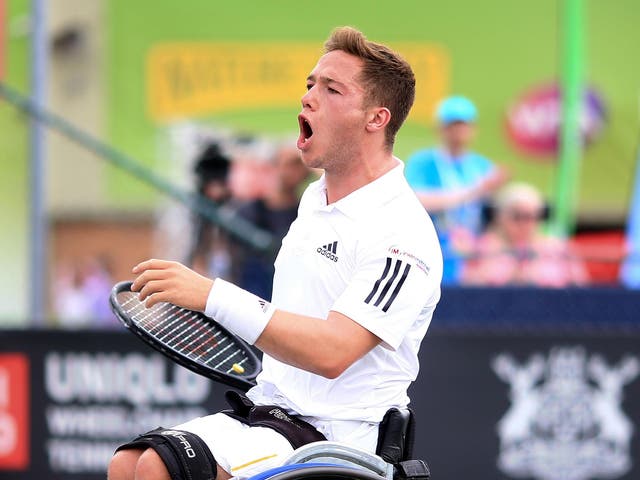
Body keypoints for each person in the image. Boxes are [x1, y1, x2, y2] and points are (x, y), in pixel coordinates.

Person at [108, 26, 442, 480]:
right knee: (127, 465)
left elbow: (334, 351)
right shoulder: (314, 200)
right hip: (271, 414)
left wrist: (212, 296)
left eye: (331, 88)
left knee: (156, 469)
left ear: (376, 119)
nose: (308, 97)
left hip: (340, 440)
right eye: (310, 84)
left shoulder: (403, 232)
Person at [405, 96, 508, 284]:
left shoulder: (481, 165)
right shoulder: (422, 162)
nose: (458, 131)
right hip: (432, 247)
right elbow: (416, 201)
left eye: (463, 125)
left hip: (472, 252)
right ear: (440, 128)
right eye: (452, 125)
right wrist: (474, 191)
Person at [462, 182, 589, 287]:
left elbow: (580, 289)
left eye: (530, 217)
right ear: (498, 217)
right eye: (516, 216)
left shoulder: (558, 248)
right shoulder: (479, 248)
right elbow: (467, 286)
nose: (524, 223)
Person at [237, 144, 313, 298]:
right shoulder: (250, 210)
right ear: (275, 167)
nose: (294, 172)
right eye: (289, 165)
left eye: (299, 166)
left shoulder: (307, 213)